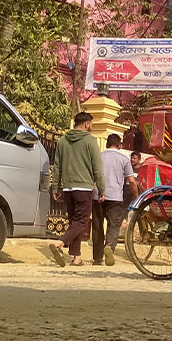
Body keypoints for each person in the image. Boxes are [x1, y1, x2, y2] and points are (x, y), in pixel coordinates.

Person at [48, 112, 104, 267]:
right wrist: (102, 189)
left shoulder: (63, 141)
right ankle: (61, 243)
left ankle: (76, 257)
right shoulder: (90, 141)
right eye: (91, 124)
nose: (92, 127)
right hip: (84, 187)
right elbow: (97, 168)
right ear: (86, 124)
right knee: (82, 220)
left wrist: (56, 188)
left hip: (68, 188)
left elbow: (57, 166)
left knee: (74, 222)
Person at [92, 133, 138, 266]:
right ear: (120, 145)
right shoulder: (124, 160)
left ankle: (97, 258)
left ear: (106, 144)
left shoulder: (98, 157)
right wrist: (136, 196)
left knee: (97, 225)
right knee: (114, 224)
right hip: (116, 197)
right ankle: (110, 246)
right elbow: (131, 181)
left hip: (97, 195)